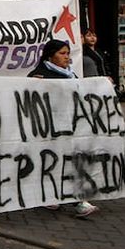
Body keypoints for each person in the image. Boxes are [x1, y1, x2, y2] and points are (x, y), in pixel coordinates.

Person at [28, 39, 100, 218]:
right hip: (50, 130)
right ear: (50, 55)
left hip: (72, 127)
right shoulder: (38, 75)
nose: (67, 57)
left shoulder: (70, 75)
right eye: (62, 53)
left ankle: (75, 200)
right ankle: (70, 200)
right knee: (59, 163)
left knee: (72, 162)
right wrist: (30, 84)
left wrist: (101, 84)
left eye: (68, 53)